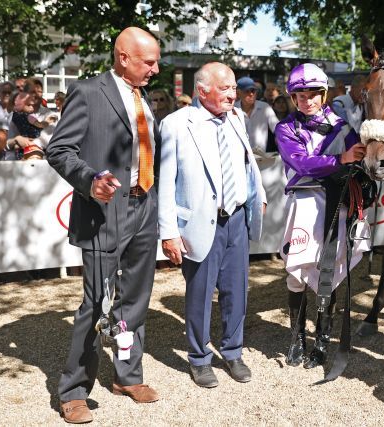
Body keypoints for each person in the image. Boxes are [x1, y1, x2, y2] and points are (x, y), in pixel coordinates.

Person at [45, 27, 162, 423]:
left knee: (135, 300)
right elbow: (59, 149)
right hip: (104, 210)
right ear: (123, 57)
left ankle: (128, 375)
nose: (156, 69)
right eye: (149, 62)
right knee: (95, 304)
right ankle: (73, 390)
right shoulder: (88, 91)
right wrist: (90, 179)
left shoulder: (143, 98)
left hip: (144, 205)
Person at [158, 62, 266, 388]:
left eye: (234, 88)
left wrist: (257, 194)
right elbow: (165, 183)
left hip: (236, 221)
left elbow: (246, 163)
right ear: (202, 91)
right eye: (225, 88)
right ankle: (199, 358)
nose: (233, 95)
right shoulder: (176, 124)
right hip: (199, 225)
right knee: (200, 295)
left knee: (237, 293)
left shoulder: (236, 119)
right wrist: (169, 233)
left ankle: (233, 352)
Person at [275, 63, 368, 369]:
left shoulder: (344, 127)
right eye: (300, 95)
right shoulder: (286, 128)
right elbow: (301, 164)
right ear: (293, 97)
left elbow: (361, 160)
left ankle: (323, 340)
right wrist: (340, 158)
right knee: (297, 272)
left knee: (330, 269)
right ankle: (296, 337)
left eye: (314, 93)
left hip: (337, 203)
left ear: (324, 94)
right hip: (304, 201)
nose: (307, 100)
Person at [235, 76, 279, 153]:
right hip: (238, 157)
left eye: (253, 91)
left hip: (260, 159)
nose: (251, 94)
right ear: (238, 93)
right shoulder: (232, 109)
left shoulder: (265, 107)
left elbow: (277, 128)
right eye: (247, 91)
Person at [0, 81, 14, 161]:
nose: (7, 94)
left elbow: (1, 138)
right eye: (4, 92)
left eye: (9, 92)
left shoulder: (19, 113)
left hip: (13, 156)